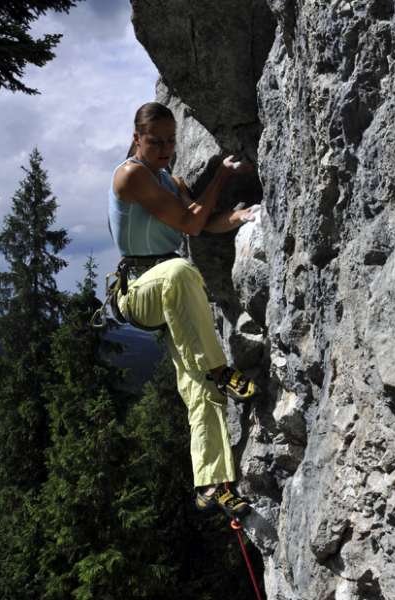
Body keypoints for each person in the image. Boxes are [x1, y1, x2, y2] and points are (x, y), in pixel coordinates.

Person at [107, 101, 258, 519]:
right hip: (140, 290)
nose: (165, 149)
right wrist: (221, 176)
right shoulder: (130, 175)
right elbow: (190, 225)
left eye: (171, 141)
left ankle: (212, 485)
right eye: (155, 141)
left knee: (199, 384)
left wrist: (239, 217)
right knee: (179, 271)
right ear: (137, 139)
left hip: (169, 289)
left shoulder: (170, 180)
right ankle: (219, 368)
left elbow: (202, 220)